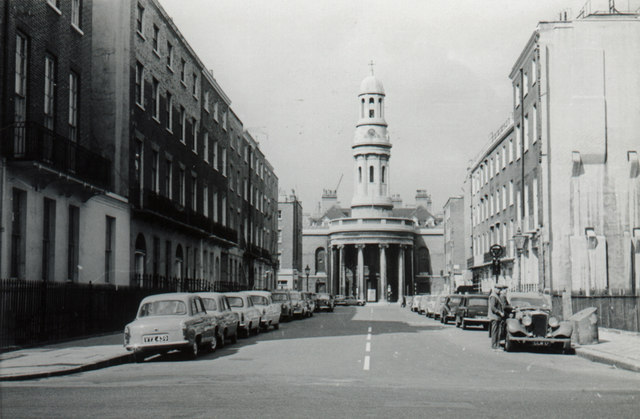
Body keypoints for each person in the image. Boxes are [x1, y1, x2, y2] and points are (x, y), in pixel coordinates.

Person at [488, 284, 505, 349]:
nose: (499, 291)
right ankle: (494, 346)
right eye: (498, 289)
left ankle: (497, 345)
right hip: (495, 316)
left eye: (500, 289)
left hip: (497, 317)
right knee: (495, 332)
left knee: (498, 331)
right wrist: (499, 312)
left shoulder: (496, 296)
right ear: (495, 288)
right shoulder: (493, 296)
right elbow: (493, 307)